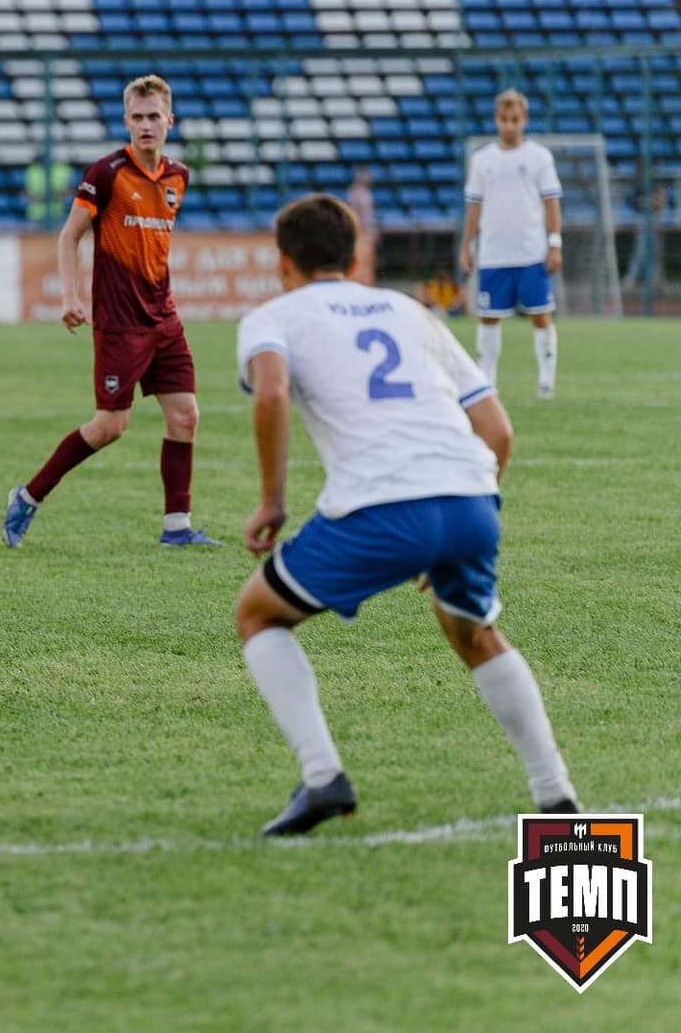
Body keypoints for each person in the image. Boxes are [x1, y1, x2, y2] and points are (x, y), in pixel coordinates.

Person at [233, 194, 579, 835]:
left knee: (257, 614)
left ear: (282, 262)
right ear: (358, 254)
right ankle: (556, 792)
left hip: (385, 507)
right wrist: (449, 523)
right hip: (473, 500)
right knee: (472, 631)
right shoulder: (411, 311)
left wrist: (273, 501)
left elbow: (273, 389)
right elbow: (497, 430)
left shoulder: (271, 317)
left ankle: (322, 778)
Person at [2, 74, 219, 549]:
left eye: (154, 117)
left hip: (164, 316)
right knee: (109, 427)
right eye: (137, 117)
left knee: (185, 416)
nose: (146, 125)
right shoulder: (105, 173)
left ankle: (177, 526)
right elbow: (69, 235)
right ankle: (28, 495)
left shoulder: (178, 176)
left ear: (169, 121)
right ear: (126, 121)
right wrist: (70, 297)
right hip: (120, 324)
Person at [459, 90, 562, 398]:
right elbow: (474, 207)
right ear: (496, 120)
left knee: (541, 314)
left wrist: (554, 242)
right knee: (488, 317)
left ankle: (546, 382)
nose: (509, 126)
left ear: (524, 120)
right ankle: (487, 383)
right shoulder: (482, 161)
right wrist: (466, 246)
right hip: (493, 253)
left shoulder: (539, 157)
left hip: (531, 251)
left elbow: (551, 202)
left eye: (514, 120)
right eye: (504, 120)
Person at [343, 164, 379, 285]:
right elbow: (354, 214)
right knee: (360, 261)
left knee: (369, 262)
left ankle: (368, 285)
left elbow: (369, 216)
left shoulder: (367, 193)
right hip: (360, 232)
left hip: (368, 231)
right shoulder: (355, 193)